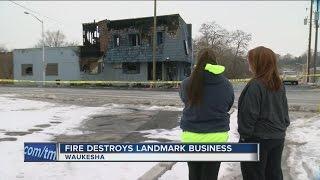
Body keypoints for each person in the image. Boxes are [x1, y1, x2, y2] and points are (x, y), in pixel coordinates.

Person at [179, 48, 234, 180]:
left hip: (192, 138)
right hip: (216, 138)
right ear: (215, 61)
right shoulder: (226, 84)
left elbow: (185, 100)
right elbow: (228, 105)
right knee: (210, 176)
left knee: (194, 175)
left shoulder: (187, 83)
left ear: (198, 61)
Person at [238, 46, 290, 180]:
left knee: (253, 175)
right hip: (277, 138)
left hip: (256, 139)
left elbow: (248, 115)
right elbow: (284, 112)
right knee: (273, 174)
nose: (248, 64)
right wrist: (282, 127)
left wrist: (245, 137)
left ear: (257, 63)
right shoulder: (279, 84)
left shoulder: (255, 85)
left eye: (250, 61)